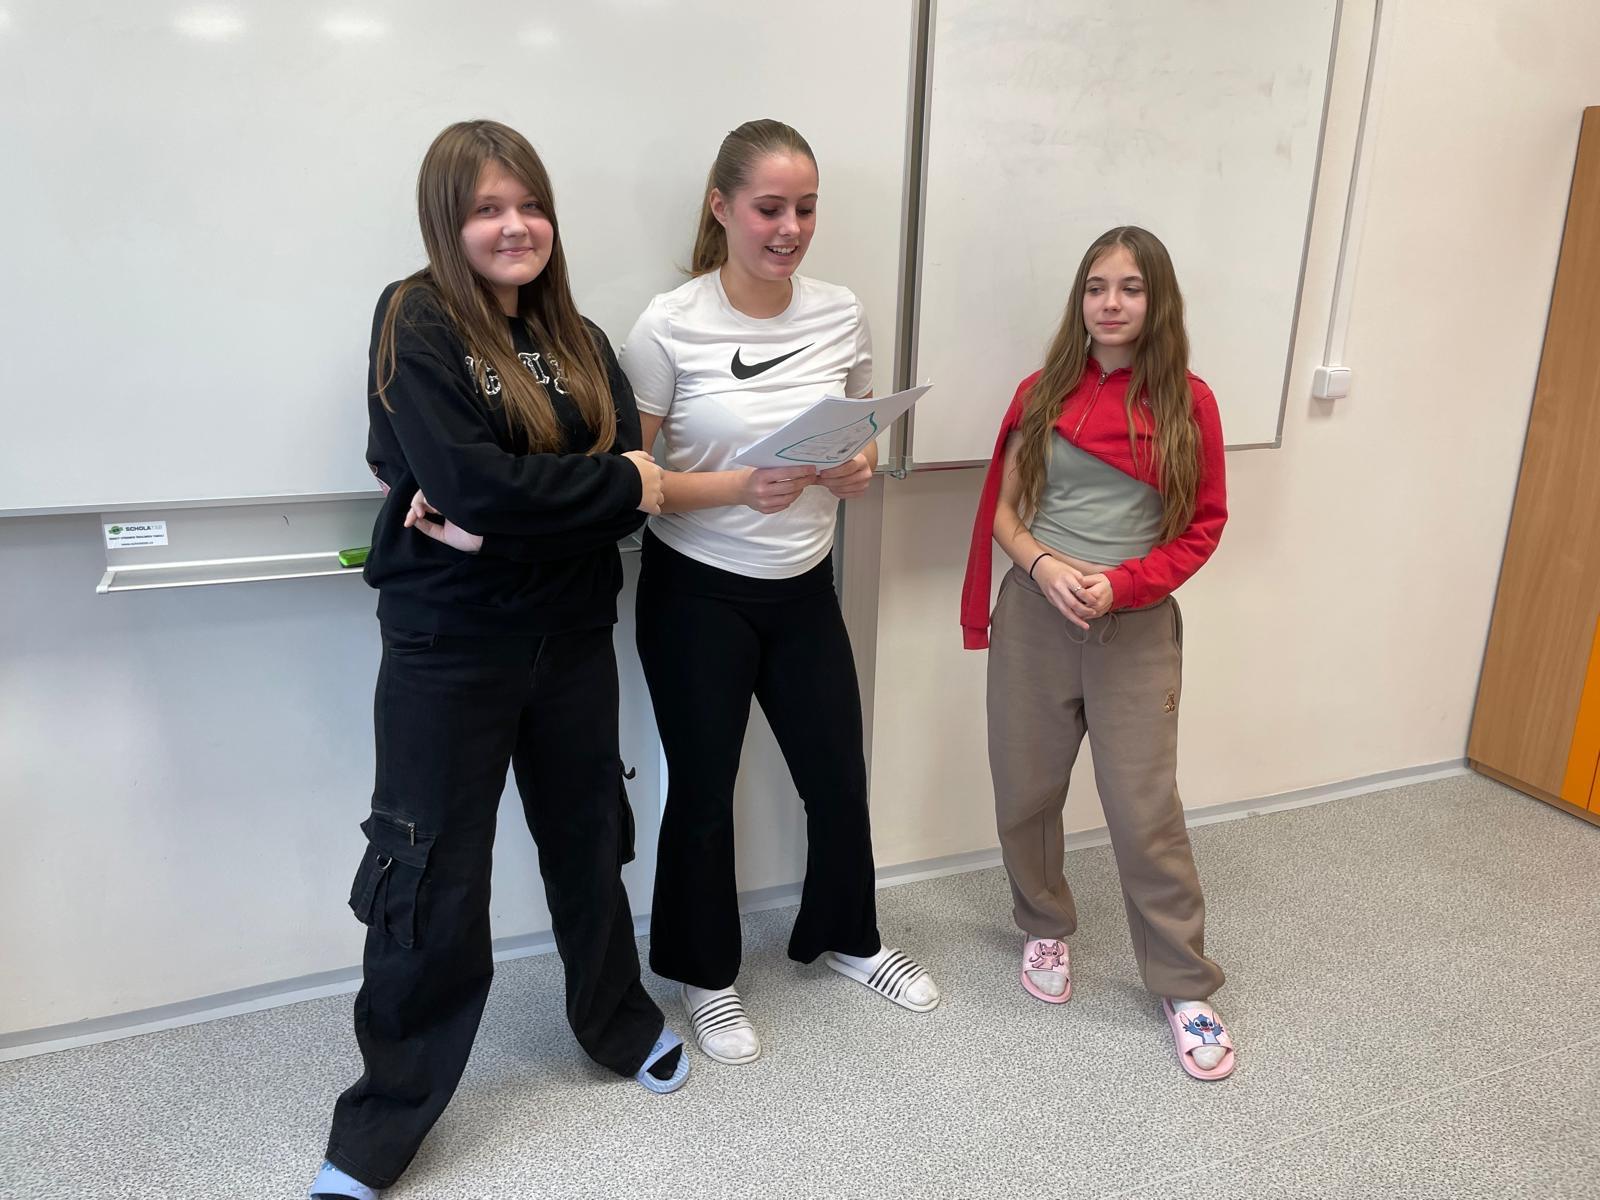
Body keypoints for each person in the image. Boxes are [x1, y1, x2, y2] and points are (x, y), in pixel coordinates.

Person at [308, 119, 685, 1200]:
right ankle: (380, 1126)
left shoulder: (579, 335)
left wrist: (507, 514)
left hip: (572, 635)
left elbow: (628, 480)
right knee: (427, 874)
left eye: (529, 204)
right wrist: (568, 493)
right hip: (449, 646)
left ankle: (617, 1024)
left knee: (588, 840)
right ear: (449, 220)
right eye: (486, 208)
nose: (514, 226)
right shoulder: (415, 316)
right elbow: (477, 483)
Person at [620, 118, 940, 1067]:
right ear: (721, 208)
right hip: (695, 593)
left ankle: (849, 937)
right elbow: (633, 480)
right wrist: (737, 486)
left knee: (837, 777)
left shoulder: (841, 312)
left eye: (805, 208)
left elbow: (858, 431)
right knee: (702, 794)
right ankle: (703, 977)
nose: (789, 228)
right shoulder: (667, 325)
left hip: (803, 587)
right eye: (769, 208)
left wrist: (859, 467)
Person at [960, 225, 1236, 1081]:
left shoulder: (1191, 404)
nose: (1110, 303)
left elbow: (1202, 528)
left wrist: (1122, 585)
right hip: (1035, 617)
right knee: (1026, 791)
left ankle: (1184, 985)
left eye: (1130, 287)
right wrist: (1044, 569)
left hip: (1134, 627)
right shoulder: (1042, 392)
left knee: (1145, 813)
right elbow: (1006, 514)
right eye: (1095, 286)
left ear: (1158, 301)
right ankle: (1044, 927)